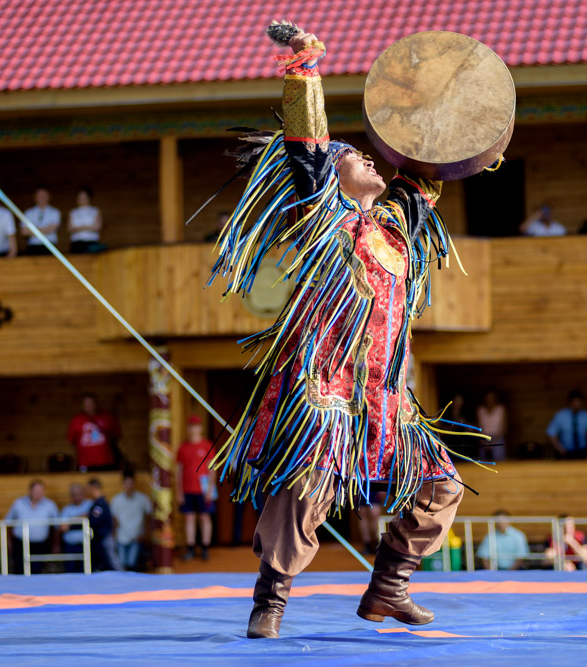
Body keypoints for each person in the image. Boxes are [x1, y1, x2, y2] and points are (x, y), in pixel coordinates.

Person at [207, 27, 471, 639]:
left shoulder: (397, 224)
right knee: (305, 488)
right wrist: (305, 68)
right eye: (356, 156)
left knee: (441, 484)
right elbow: (308, 144)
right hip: (323, 385)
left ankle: (388, 590)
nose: (369, 159)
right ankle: (270, 602)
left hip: (385, 396)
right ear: (332, 174)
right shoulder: (321, 214)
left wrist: (440, 100)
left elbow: (426, 170)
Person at [177, 415, 216, 562]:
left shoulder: (207, 445)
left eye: (196, 426)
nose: (194, 429)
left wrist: (211, 489)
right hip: (187, 489)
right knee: (189, 518)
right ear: (188, 429)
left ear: (201, 428)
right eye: (191, 426)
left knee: (205, 517)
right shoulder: (183, 447)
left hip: (203, 489)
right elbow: (179, 470)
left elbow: (212, 469)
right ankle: (191, 548)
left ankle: (205, 548)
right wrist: (179, 491)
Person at [5, 479, 59, 574]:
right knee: (19, 570)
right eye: (36, 491)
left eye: (41, 492)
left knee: (37, 571)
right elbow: (8, 523)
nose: (39, 494)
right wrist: (9, 543)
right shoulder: (18, 503)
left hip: (40, 544)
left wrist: (56, 545)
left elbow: (56, 527)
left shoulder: (50, 505)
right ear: (30, 491)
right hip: (20, 543)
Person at [67, 392, 122, 471]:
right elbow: (71, 440)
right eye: (86, 404)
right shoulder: (76, 420)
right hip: (85, 462)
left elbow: (116, 435)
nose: (89, 407)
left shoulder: (108, 417)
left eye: (91, 403)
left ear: (96, 404)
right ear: (82, 405)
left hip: (106, 460)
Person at [110, 471, 153, 571]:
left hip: (136, 536)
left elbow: (148, 518)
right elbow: (114, 520)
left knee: (131, 563)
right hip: (122, 536)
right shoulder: (117, 500)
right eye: (126, 483)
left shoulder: (143, 499)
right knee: (121, 564)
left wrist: (145, 534)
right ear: (123, 484)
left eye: (131, 483)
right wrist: (114, 536)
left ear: (134, 483)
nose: (129, 486)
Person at [546, 390, 587, 459]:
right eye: (574, 401)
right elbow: (551, 433)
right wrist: (560, 449)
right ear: (569, 402)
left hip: (583, 452)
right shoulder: (560, 415)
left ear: (582, 402)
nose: (576, 404)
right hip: (564, 452)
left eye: (579, 401)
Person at [87, 478, 120, 571]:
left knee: (113, 562)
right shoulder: (98, 503)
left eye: (88, 489)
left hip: (104, 538)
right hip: (100, 539)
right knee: (105, 564)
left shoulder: (100, 504)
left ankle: (125, 579)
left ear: (93, 488)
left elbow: (94, 521)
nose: (88, 492)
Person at [59, 482, 93, 573]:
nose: (77, 497)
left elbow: (90, 517)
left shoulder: (90, 504)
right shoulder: (66, 509)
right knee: (70, 572)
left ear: (83, 494)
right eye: (74, 495)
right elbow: (63, 527)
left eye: (79, 494)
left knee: (86, 572)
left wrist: (71, 521)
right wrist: (80, 519)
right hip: (70, 546)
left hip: (86, 545)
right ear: (70, 496)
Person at [22, 187, 61, 255]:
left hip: (50, 246)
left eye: (44, 196)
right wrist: (45, 229)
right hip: (32, 247)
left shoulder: (55, 212)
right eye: (39, 196)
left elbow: (52, 229)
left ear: (49, 197)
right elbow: (24, 231)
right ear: (35, 197)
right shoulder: (28, 212)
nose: (42, 198)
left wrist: (32, 230)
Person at [68, 186, 103, 253]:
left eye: (84, 197)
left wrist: (79, 228)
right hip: (76, 243)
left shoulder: (95, 211)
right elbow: (70, 228)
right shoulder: (73, 212)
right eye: (80, 197)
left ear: (89, 198)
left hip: (91, 242)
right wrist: (88, 227)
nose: (82, 199)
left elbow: (97, 227)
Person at [476, 390, 507, 461]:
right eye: (488, 397)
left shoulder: (501, 409)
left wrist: (493, 441)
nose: (490, 400)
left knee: (498, 453)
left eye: (492, 397)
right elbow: (478, 427)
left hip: (497, 437)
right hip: (484, 437)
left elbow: (504, 428)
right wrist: (484, 440)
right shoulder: (480, 410)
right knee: (481, 457)